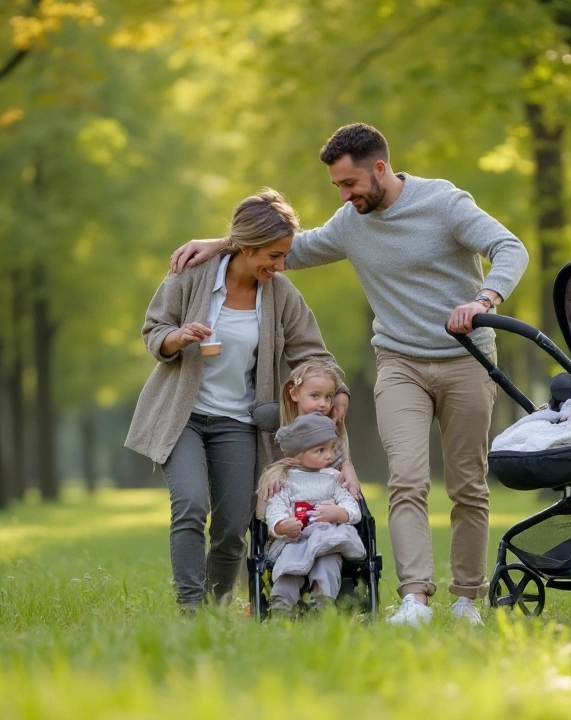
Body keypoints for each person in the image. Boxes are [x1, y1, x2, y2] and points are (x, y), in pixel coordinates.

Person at [172, 123, 529, 626]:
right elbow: (286, 250)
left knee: (467, 484)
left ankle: (468, 596)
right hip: (399, 360)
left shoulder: (444, 204)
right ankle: (415, 599)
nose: (344, 195)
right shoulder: (350, 222)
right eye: (337, 186)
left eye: (350, 183)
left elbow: (510, 248)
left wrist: (484, 299)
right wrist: (220, 243)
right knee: (407, 480)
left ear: (379, 168)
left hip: (466, 357)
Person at [125, 189, 348, 613]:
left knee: (232, 527)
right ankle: (190, 610)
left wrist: (337, 390)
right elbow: (154, 330)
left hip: (239, 422)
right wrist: (178, 337)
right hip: (183, 417)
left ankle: (215, 607)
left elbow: (313, 352)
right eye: (274, 255)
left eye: (284, 256)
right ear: (246, 247)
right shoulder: (190, 274)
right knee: (190, 504)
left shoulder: (280, 294)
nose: (280, 265)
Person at [258, 413, 366, 615]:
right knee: (289, 565)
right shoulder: (285, 480)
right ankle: (282, 605)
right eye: (321, 450)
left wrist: (339, 513)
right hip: (296, 540)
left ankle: (322, 603)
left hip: (327, 538)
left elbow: (352, 508)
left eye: (332, 449)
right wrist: (282, 525)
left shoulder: (334, 478)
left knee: (328, 562)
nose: (330, 456)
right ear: (297, 454)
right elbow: (275, 508)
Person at [259, 358, 361, 500]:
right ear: (294, 394)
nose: (323, 404)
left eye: (328, 397)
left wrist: (349, 474)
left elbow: (340, 460)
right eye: (315, 396)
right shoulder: (290, 433)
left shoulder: (330, 429)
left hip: (329, 495)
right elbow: (288, 463)